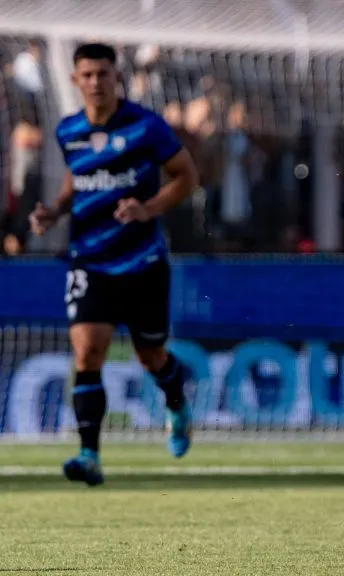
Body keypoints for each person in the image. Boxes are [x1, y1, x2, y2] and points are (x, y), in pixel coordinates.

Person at [29, 43, 199, 486]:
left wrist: (149, 208)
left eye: (103, 74)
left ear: (116, 76)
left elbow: (187, 175)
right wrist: (56, 210)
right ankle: (89, 455)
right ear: (74, 80)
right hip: (89, 260)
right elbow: (77, 179)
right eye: (86, 75)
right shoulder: (68, 131)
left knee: (150, 356)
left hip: (142, 262)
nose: (95, 83)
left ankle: (176, 400)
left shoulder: (145, 126)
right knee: (87, 352)